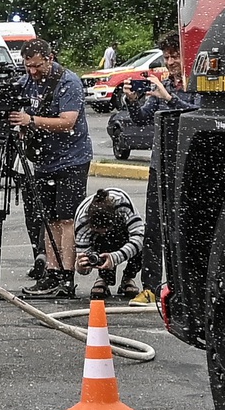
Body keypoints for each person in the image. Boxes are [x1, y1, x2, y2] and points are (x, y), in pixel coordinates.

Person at [11, 38, 94, 301]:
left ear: (49, 58)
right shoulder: (29, 81)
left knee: (66, 218)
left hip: (71, 159)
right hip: (44, 159)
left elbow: (68, 121)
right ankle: (51, 270)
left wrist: (31, 120)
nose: (32, 72)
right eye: (28, 67)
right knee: (48, 219)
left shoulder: (68, 82)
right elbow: (19, 105)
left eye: (37, 66)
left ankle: (66, 276)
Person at [121, 33, 197, 307]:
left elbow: (197, 115)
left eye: (175, 55)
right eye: (166, 57)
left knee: (186, 229)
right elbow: (142, 118)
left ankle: (187, 289)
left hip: (188, 167)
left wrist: (171, 99)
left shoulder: (198, 84)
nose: (171, 62)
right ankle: (150, 287)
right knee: (154, 228)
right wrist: (132, 100)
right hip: (161, 164)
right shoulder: (163, 84)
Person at [75, 187, 146, 302]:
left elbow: (139, 237)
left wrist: (115, 257)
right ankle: (103, 277)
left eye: (105, 229)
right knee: (104, 239)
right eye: (98, 230)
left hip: (123, 229)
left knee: (145, 240)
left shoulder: (123, 204)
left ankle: (128, 277)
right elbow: (84, 267)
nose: (103, 232)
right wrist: (80, 266)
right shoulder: (81, 223)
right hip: (100, 239)